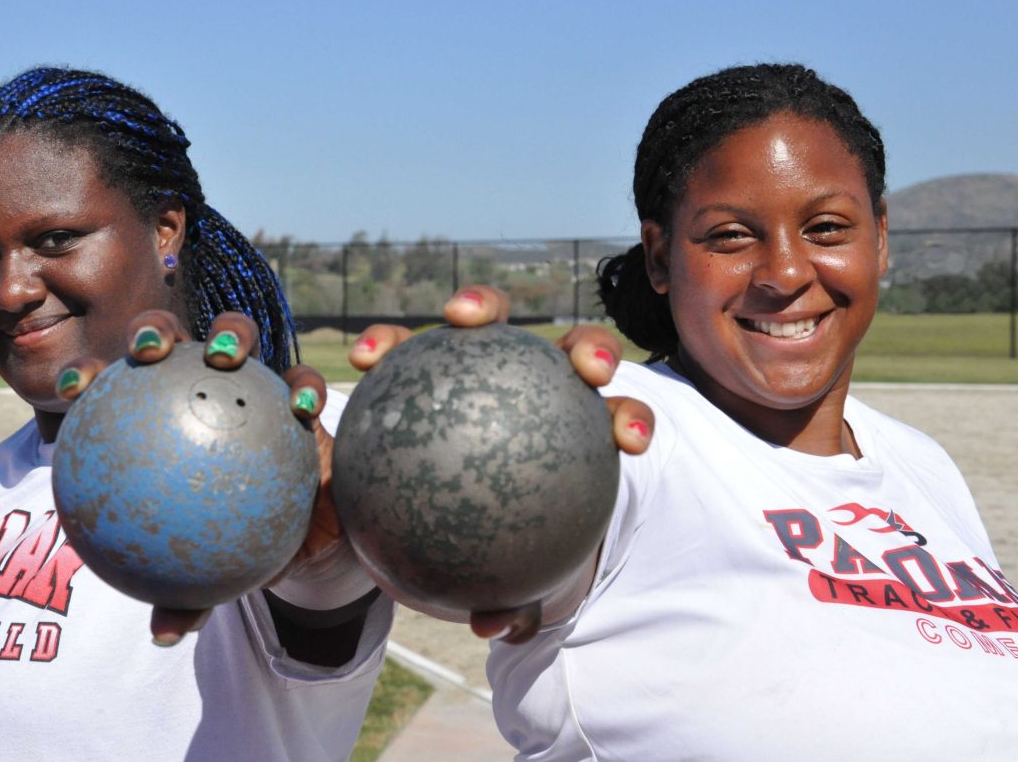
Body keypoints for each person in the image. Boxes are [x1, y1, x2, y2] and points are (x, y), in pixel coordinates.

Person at [359, 63, 1018, 760]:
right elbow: (375, 485)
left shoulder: (922, 465)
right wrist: (433, 411)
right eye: (731, 235)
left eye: (826, 227)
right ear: (660, 256)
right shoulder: (621, 435)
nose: (787, 272)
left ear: (879, 238)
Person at [0, 67, 391, 761]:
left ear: (164, 229)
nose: (9, 289)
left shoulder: (271, 440)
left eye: (56, 238)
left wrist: (336, 562)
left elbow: (323, 602)